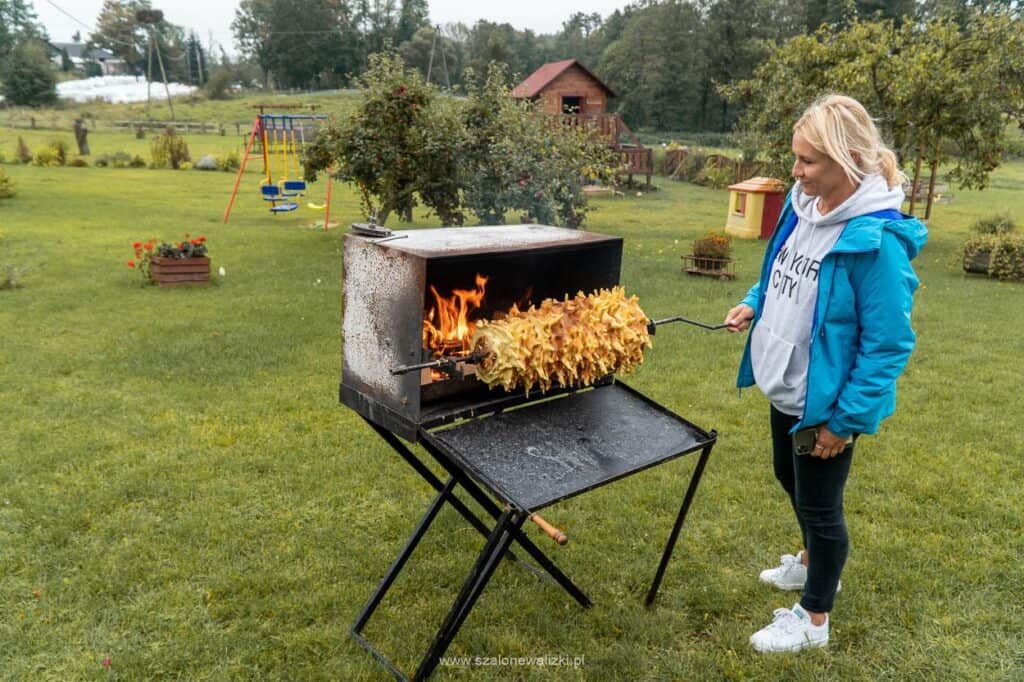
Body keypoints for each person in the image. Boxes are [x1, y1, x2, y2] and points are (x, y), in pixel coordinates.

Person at [723, 94, 928, 653]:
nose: (795, 170)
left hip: (826, 405)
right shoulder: (802, 207)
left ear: (847, 162)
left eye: (808, 161)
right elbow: (781, 273)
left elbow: (888, 346)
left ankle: (814, 618)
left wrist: (846, 421)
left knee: (820, 505)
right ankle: (811, 562)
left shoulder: (875, 242)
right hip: (785, 384)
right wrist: (753, 301)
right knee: (788, 478)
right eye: (796, 157)